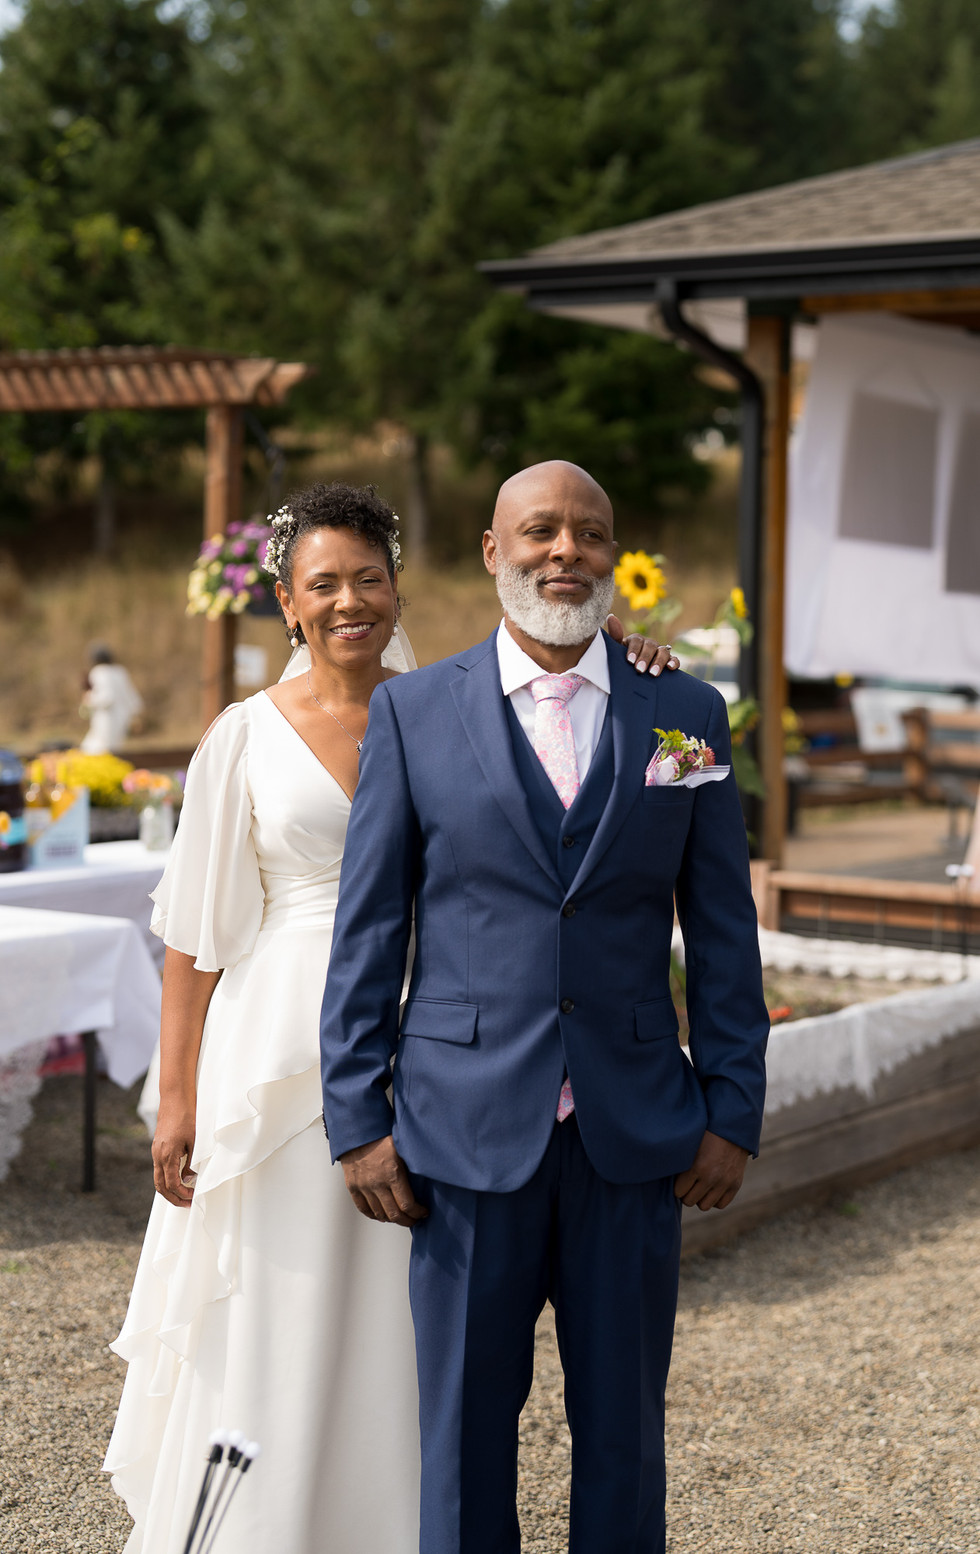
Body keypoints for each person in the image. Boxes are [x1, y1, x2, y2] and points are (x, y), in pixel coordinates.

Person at [104, 477, 674, 1554]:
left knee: (405, 1342)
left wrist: (626, 652)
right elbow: (191, 936)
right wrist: (174, 1099)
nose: (350, 600)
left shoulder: (449, 704)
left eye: (369, 579)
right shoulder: (243, 735)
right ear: (287, 600)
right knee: (282, 1311)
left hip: (443, 1068)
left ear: (402, 587)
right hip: (280, 1053)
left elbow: (551, 663)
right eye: (324, 583)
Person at [320, 460, 768, 1554]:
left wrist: (731, 1107)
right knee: (465, 1435)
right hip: (460, 1133)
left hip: (634, 1131)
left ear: (613, 557)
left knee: (623, 1434)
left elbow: (718, 930)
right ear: (492, 551)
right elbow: (370, 928)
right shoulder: (413, 712)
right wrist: (357, 1117)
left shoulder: (684, 711)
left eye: (588, 532)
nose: (563, 550)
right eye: (538, 531)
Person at [80, 644, 143, 753]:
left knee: (96, 750)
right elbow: (132, 697)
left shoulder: (98, 672)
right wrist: (135, 715)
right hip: (122, 718)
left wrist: (89, 697)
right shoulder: (120, 671)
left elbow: (106, 698)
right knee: (112, 749)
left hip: (106, 719)